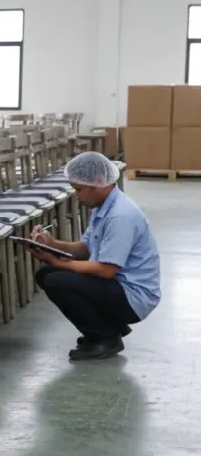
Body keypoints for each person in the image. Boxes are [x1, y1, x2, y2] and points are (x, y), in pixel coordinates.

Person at [29, 152, 160, 360]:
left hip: (133, 296)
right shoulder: (103, 207)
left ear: (98, 183)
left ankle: (105, 338)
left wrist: (62, 264)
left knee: (57, 280)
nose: (78, 196)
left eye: (79, 190)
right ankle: (104, 329)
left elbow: (106, 270)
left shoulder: (120, 215)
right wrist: (51, 244)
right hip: (117, 286)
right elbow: (86, 249)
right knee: (45, 273)